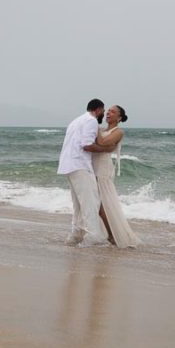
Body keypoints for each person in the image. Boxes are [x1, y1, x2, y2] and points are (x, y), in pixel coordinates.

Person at [57, 99, 113, 246]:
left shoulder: (76, 121)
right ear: (99, 109)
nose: (104, 114)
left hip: (68, 165)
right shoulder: (91, 121)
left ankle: (76, 235)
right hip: (80, 165)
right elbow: (87, 145)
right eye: (103, 110)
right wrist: (106, 149)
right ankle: (94, 236)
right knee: (90, 202)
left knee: (78, 204)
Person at [92, 105, 142, 248]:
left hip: (102, 168)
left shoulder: (118, 132)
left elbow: (102, 142)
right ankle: (102, 233)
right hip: (92, 166)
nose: (108, 113)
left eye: (112, 112)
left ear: (119, 117)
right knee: (94, 202)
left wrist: (93, 125)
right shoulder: (102, 130)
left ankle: (112, 235)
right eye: (108, 111)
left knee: (101, 204)